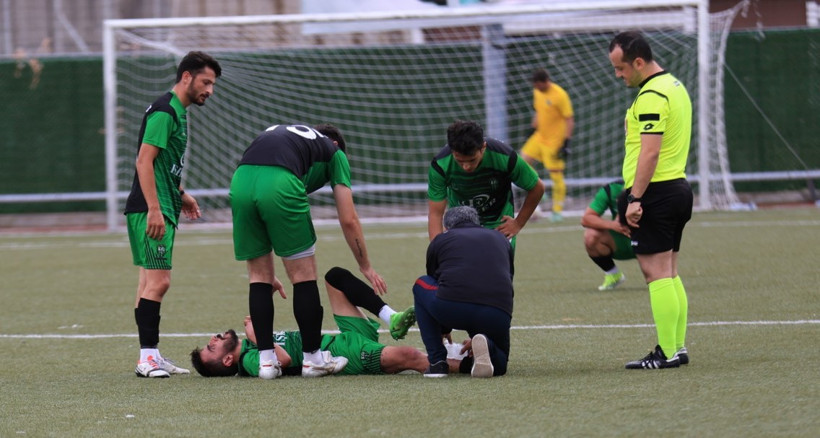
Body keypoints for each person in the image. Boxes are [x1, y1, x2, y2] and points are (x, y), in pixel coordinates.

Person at [229, 123, 388, 379]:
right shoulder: (335, 153)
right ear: (336, 145)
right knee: (304, 276)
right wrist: (365, 265)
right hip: (280, 182)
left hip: (241, 180)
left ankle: (267, 363)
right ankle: (313, 358)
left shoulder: (291, 137)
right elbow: (349, 218)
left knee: (259, 277)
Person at [124, 51, 222, 378]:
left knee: (147, 283)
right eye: (206, 82)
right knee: (160, 282)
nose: (210, 90)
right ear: (186, 77)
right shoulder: (166, 111)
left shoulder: (176, 111)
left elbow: (163, 165)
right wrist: (155, 209)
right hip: (152, 210)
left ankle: (149, 355)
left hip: (162, 204)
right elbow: (143, 161)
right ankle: (147, 358)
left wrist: (181, 195)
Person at [608, 31, 693, 369]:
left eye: (621, 68)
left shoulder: (653, 94)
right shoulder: (674, 85)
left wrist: (635, 197)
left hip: (656, 192)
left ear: (639, 62)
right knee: (669, 272)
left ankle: (668, 351)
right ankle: (677, 347)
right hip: (676, 188)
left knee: (655, 273)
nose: (619, 75)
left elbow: (650, 152)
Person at [190, 267, 430, 378]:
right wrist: (257, 338)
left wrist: (267, 293)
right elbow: (281, 361)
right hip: (342, 353)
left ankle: (392, 317)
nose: (213, 339)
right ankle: (459, 364)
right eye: (212, 347)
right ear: (228, 359)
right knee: (410, 356)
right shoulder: (249, 361)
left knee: (335, 277)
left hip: (342, 337)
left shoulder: (252, 345)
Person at [413, 206, 514, 378]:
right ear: (477, 223)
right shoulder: (501, 238)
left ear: (447, 227)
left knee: (421, 284)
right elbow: (508, 278)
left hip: (452, 307)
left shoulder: (441, 240)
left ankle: (438, 362)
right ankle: (486, 345)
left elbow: (436, 280)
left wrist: (444, 327)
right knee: (500, 365)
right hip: (498, 312)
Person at [427, 120, 545, 249]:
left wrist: (518, 223)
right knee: (462, 268)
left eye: (472, 160)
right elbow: (435, 213)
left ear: (483, 148)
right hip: (460, 225)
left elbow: (537, 187)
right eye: (460, 161)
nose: (466, 167)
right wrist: (436, 250)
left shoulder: (504, 157)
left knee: (495, 268)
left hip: (498, 225)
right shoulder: (440, 164)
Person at [519, 68, 575, 223]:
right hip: (540, 137)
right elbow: (538, 112)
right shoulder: (537, 92)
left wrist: (566, 142)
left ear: (544, 82)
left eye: (538, 85)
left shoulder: (560, 95)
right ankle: (539, 191)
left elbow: (569, 119)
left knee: (556, 176)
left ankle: (557, 210)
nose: (536, 88)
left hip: (554, 142)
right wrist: (532, 128)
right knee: (521, 162)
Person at [581, 180, 634, 291]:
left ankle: (667, 274)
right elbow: (586, 219)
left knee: (658, 278)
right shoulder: (612, 189)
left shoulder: (656, 187)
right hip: (623, 242)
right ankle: (613, 274)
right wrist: (613, 225)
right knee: (590, 236)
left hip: (650, 241)